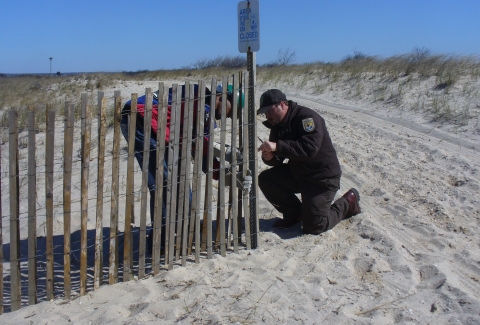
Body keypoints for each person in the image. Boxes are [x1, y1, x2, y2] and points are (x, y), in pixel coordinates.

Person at [121, 83, 237, 251]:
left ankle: (181, 231)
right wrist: (222, 150)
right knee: (164, 184)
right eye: (231, 110)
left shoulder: (204, 114)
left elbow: (204, 158)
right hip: (139, 119)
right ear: (223, 97)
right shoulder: (198, 97)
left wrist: (227, 175)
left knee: (181, 182)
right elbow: (199, 143)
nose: (229, 116)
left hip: (162, 131)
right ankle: (159, 241)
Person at [257, 89, 361, 235]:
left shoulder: (307, 118)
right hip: (299, 174)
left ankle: (348, 203)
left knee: (314, 227)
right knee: (266, 179)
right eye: (264, 113)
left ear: (282, 104)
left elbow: (309, 149)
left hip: (322, 178)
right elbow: (279, 158)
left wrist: (277, 147)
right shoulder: (277, 124)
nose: (267, 116)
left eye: (269, 111)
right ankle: (294, 214)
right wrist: (270, 158)